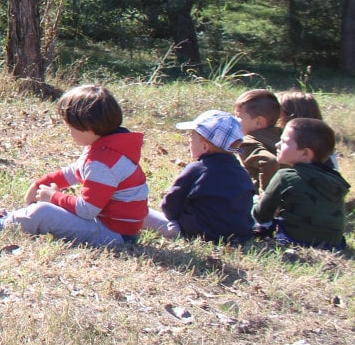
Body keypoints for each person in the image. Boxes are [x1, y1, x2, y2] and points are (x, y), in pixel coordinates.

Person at [0, 84, 148, 247]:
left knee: (43, 213)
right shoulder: (108, 147)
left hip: (112, 235)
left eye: (70, 127)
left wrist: (52, 197)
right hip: (119, 228)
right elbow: (75, 172)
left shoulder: (102, 164)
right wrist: (41, 183)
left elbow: (86, 210)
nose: (68, 131)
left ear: (89, 128)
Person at [142, 110, 255, 242]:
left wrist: (181, 219)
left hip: (197, 233)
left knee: (141, 213)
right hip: (239, 236)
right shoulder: (243, 173)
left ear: (205, 146)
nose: (189, 140)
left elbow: (169, 207)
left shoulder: (197, 169)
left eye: (192, 136)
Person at [253, 117, 348, 250]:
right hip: (334, 244)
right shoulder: (335, 180)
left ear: (305, 153)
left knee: (252, 202)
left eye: (284, 142)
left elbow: (261, 214)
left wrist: (259, 201)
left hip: (294, 240)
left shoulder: (284, 176)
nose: (277, 144)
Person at [233, 89, 283, 191]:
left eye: (238, 116)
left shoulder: (248, 142)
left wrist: (265, 195)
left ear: (258, 122)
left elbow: (270, 161)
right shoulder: (282, 136)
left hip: (265, 202)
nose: (234, 120)